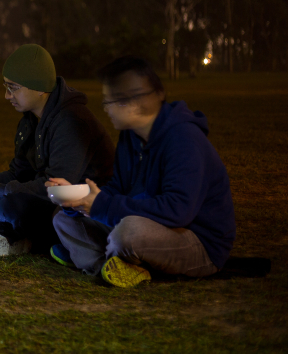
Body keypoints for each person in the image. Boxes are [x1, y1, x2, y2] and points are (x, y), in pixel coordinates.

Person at [49, 56, 235, 288]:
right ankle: (109, 266)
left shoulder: (184, 140)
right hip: (150, 224)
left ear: (133, 102)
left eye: (111, 101)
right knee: (64, 219)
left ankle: (94, 257)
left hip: (197, 239)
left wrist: (102, 207)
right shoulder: (131, 136)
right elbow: (119, 188)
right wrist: (82, 198)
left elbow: (178, 211)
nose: (106, 108)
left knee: (128, 234)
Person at [0, 44, 114, 257]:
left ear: (39, 87)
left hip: (76, 209)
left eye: (13, 87)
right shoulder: (30, 121)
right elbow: (19, 173)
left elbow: (56, 188)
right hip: (41, 199)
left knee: (12, 208)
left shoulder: (73, 122)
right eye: (6, 87)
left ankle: (15, 240)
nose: (7, 96)